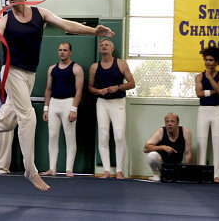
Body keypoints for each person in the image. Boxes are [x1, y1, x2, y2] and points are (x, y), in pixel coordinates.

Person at [0, 0, 114, 191]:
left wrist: (93, 31)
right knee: (28, 116)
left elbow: (66, 25)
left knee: (7, 121)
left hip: (29, 75)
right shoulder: (6, 19)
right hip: (12, 73)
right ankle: (31, 171)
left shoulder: (40, 13)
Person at [88, 39, 135, 179]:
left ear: (112, 49)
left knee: (119, 136)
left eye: (106, 45)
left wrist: (118, 87)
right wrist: (98, 91)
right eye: (101, 45)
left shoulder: (121, 64)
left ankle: (119, 170)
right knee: (103, 136)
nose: (103, 47)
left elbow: (132, 83)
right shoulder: (94, 67)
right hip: (102, 103)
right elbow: (90, 87)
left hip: (118, 102)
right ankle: (106, 170)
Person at [40, 42, 83, 177]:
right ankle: (52, 169)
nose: (62, 52)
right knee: (52, 136)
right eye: (60, 50)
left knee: (70, 137)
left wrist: (73, 109)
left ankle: (69, 169)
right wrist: (46, 109)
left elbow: (79, 91)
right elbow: (48, 89)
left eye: (65, 50)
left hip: (68, 103)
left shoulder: (76, 68)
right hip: (54, 104)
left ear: (70, 52)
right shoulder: (52, 69)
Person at [194, 46, 219, 182]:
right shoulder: (198, 76)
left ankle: (216, 175)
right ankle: (201, 172)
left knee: (217, 142)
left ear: (216, 62)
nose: (208, 62)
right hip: (203, 111)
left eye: (211, 60)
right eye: (206, 60)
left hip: (217, 110)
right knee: (202, 142)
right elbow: (199, 94)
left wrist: (209, 78)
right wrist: (214, 92)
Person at [143, 113, 193, 182]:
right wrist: (163, 147)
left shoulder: (185, 132)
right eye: (167, 121)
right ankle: (157, 175)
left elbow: (188, 153)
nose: (169, 124)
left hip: (177, 166)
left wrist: (187, 172)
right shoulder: (161, 131)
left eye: (172, 121)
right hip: (162, 165)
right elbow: (146, 148)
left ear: (177, 123)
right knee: (152, 156)